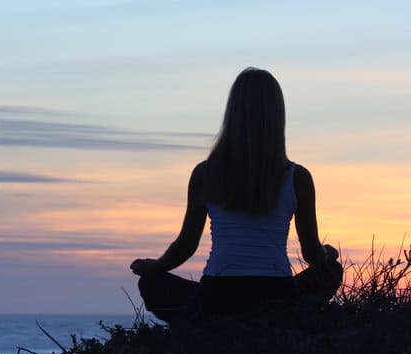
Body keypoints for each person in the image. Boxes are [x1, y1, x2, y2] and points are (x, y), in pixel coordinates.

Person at [130, 67, 342, 323]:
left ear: (232, 113)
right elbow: (312, 255)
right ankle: (273, 325)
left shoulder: (205, 173)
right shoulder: (298, 177)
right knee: (331, 272)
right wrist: (328, 254)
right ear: (278, 117)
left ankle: (206, 328)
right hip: (277, 298)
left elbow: (185, 246)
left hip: (217, 297)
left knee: (151, 284)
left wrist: (152, 268)